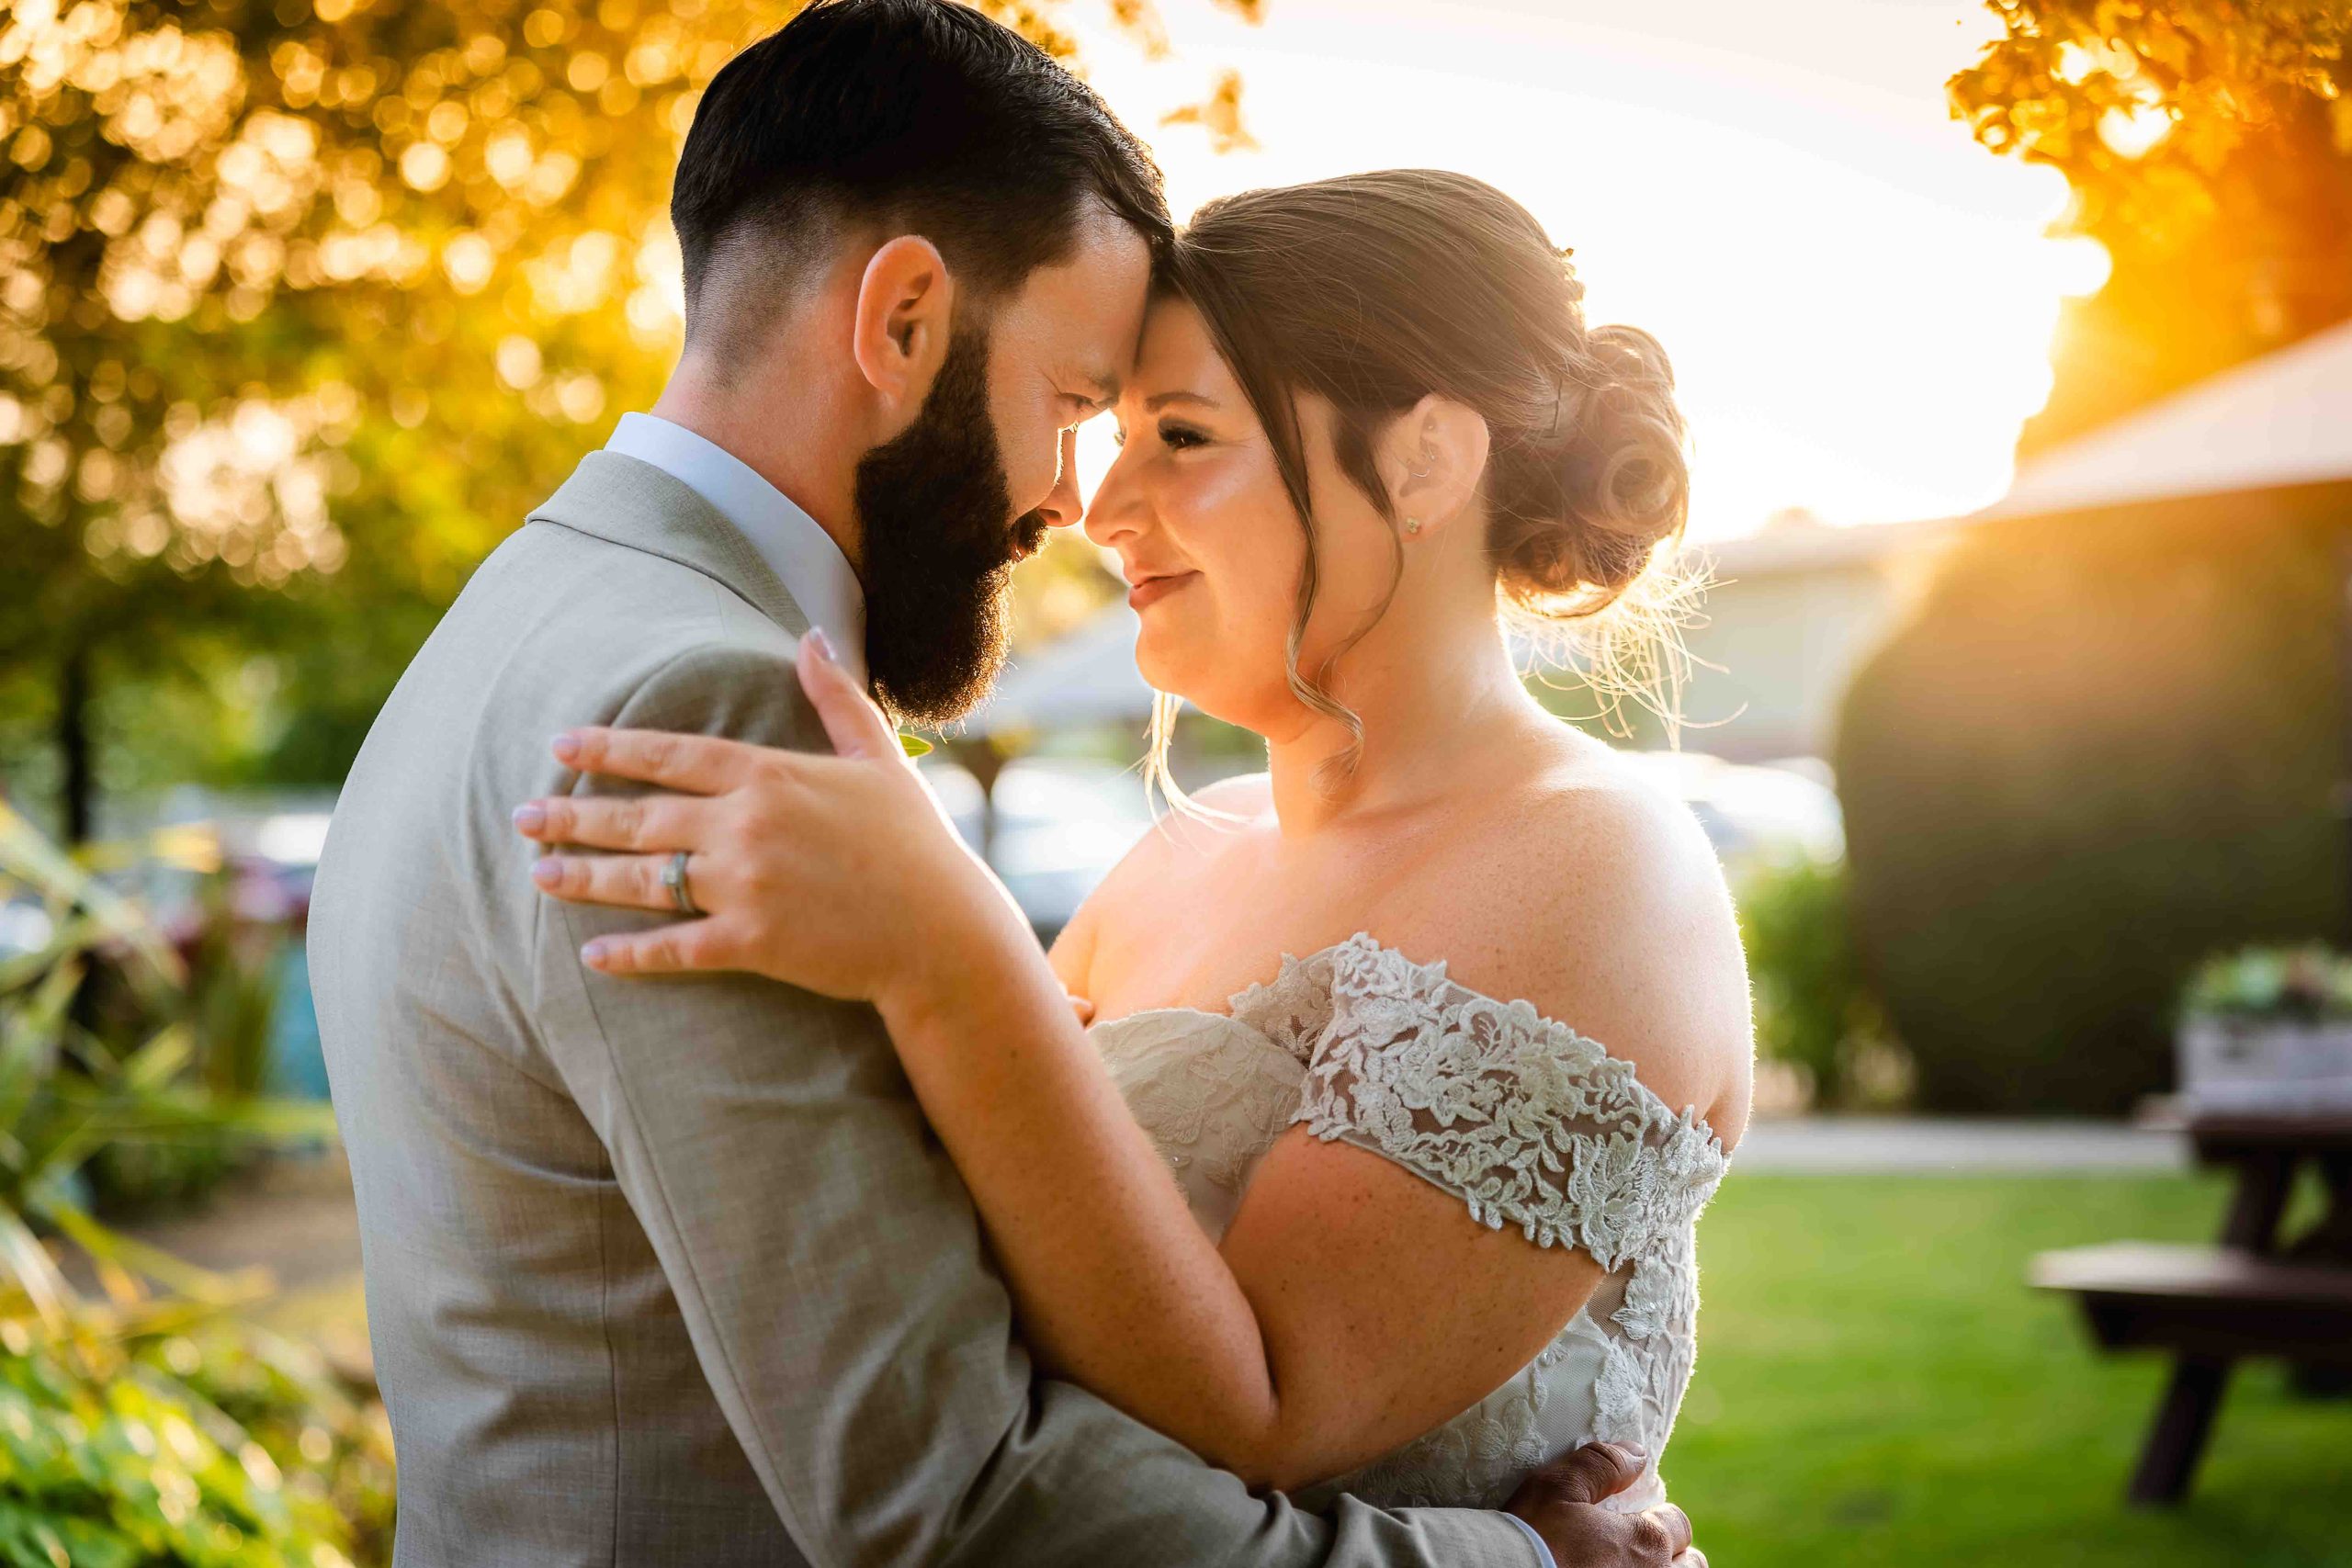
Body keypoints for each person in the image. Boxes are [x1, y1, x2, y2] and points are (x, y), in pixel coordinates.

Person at [311, 1, 1698, 1562]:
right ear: (903, 323)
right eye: (1080, 404)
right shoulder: (710, 704)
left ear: (1429, 467)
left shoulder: (529, 621)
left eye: (1170, 430)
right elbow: (957, 1501)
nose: (1084, 498)